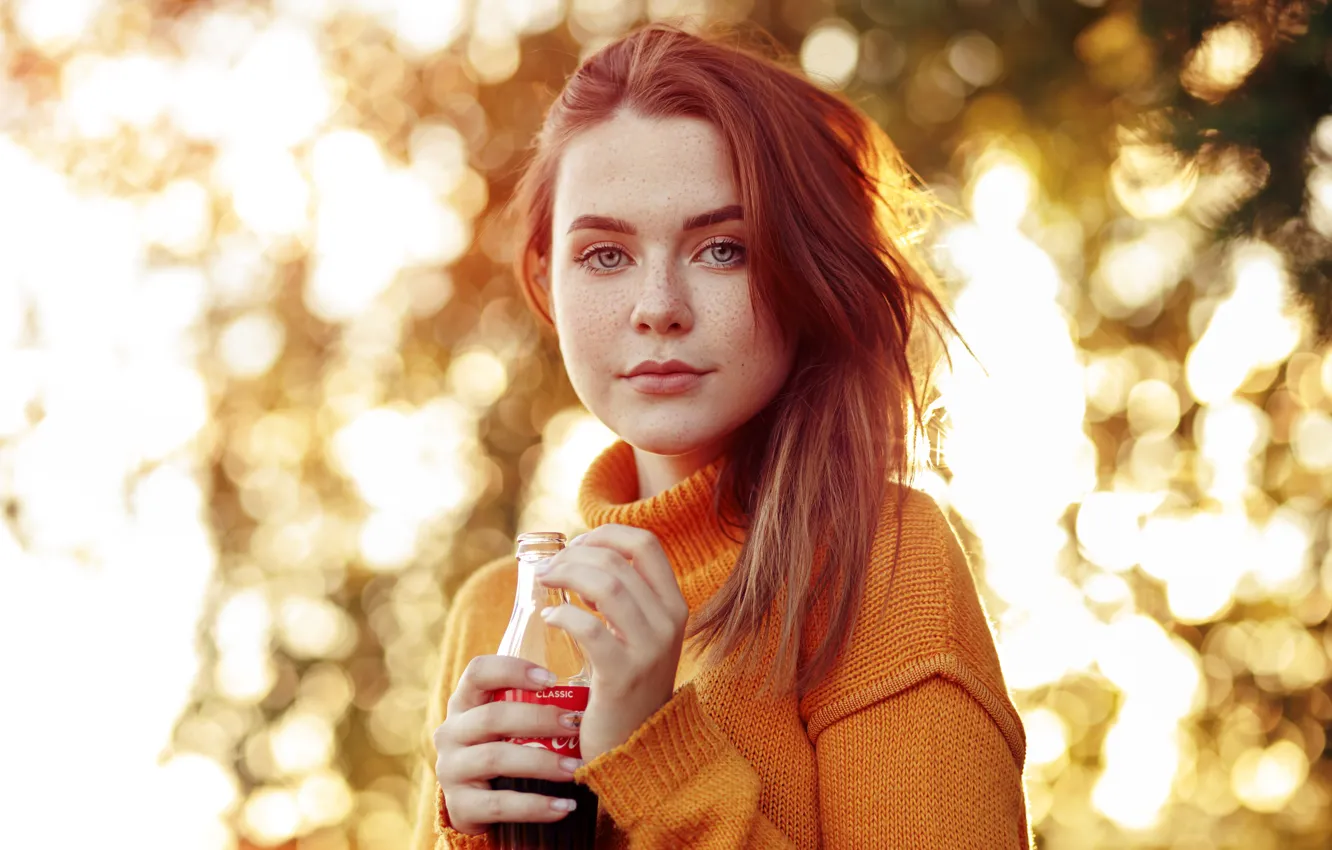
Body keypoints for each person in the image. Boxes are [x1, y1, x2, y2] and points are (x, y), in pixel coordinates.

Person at [411, 21, 1031, 850]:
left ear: (801, 275)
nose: (658, 304)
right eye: (603, 255)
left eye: (722, 249)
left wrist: (655, 754)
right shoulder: (497, 611)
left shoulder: (882, 568)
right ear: (545, 280)